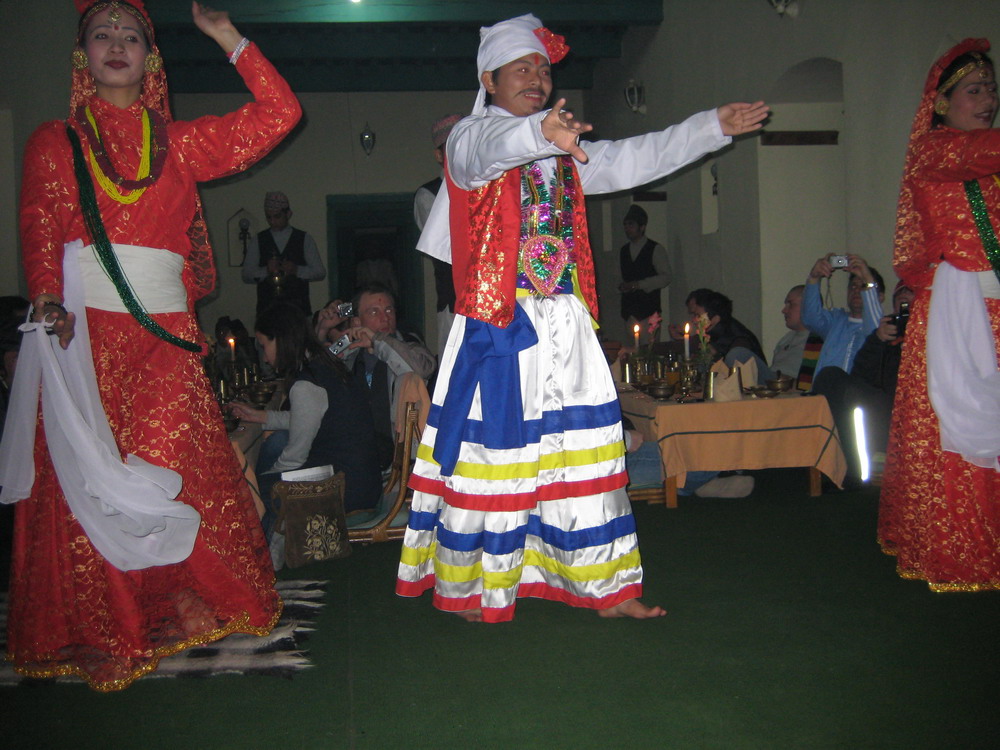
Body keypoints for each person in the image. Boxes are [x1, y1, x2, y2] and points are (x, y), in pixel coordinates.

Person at [396, 13, 768, 622]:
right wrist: (540, 132)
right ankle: (471, 586)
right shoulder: (469, 139)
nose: (537, 78)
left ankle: (606, 586)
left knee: (586, 451)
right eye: (522, 68)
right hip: (499, 324)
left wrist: (710, 127)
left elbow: (635, 157)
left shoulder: (565, 152)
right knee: (493, 456)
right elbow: (491, 151)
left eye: (544, 70)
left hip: (565, 324)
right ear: (489, 80)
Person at [2, 0, 301, 690]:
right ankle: (117, 623)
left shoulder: (180, 144)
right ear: (82, 54)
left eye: (131, 36)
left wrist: (228, 36)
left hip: (166, 342)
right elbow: (40, 221)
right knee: (98, 483)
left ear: (151, 56)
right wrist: (46, 296)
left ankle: (180, 602)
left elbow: (280, 114)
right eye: (102, 35)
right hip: (86, 337)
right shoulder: (55, 141)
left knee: (174, 471)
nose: (116, 45)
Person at [878, 39, 1000, 592]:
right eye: (975, 90)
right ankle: (960, 549)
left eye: (991, 89)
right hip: (957, 308)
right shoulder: (936, 150)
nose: (988, 99)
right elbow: (981, 153)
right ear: (943, 102)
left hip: (993, 305)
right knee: (958, 425)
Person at [228, 303, 382, 537]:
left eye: (264, 346)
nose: (265, 358)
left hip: (347, 489)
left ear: (280, 340)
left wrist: (263, 480)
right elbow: (311, 417)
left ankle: (266, 554)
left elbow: (294, 458)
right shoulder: (323, 363)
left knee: (248, 494)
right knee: (261, 479)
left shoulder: (307, 382)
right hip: (362, 479)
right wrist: (261, 417)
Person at [813, 281, 912, 483]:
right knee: (830, 376)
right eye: (900, 302)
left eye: (910, 299)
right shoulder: (886, 332)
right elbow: (861, 373)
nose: (904, 307)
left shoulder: (933, 332)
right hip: (880, 401)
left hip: (909, 407)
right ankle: (832, 465)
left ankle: (852, 471)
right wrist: (878, 340)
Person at [340, 283, 436, 467]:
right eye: (374, 312)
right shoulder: (350, 354)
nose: (385, 318)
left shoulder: (409, 344)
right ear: (357, 322)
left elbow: (421, 370)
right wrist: (322, 330)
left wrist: (378, 342)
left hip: (397, 456)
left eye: (389, 310)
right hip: (355, 450)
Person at [415, 114, 465, 359]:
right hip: (455, 304)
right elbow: (447, 247)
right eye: (452, 148)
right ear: (439, 155)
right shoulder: (428, 195)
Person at [241, 191, 326, 317]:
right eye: (269, 217)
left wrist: (296, 270)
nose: (272, 221)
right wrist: (266, 271)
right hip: (268, 311)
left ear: (288, 214)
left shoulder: (304, 238)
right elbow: (246, 274)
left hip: (298, 310)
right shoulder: (258, 240)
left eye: (277, 216)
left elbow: (320, 272)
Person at [802, 254, 884, 378]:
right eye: (853, 286)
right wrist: (814, 277)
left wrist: (868, 280)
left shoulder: (883, 328)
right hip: (826, 389)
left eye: (863, 286)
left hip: (859, 390)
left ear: (880, 297)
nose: (856, 291)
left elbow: (875, 332)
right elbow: (809, 318)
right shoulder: (835, 321)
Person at [619, 204, 669, 340]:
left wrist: (640, 284)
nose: (627, 229)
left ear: (642, 227)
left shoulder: (655, 249)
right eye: (625, 225)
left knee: (649, 349)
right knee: (630, 350)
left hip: (649, 312)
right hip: (629, 312)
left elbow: (665, 277)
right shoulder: (624, 251)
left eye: (631, 225)